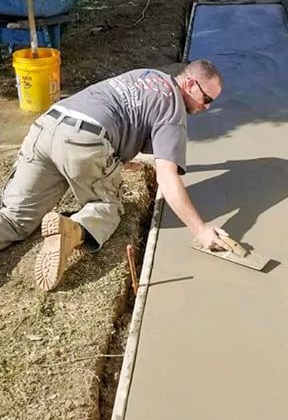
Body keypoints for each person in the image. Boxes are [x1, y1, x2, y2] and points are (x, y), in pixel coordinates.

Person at [0, 60, 229, 292]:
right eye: (207, 99)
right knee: (107, 208)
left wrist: (117, 158)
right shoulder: (173, 109)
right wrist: (200, 231)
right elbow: (167, 178)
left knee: (15, 219)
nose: (207, 107)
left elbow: (121, 111)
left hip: (46, 127)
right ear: (190, 84)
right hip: (82, 142)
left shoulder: (147, 74)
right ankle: (71, 232)